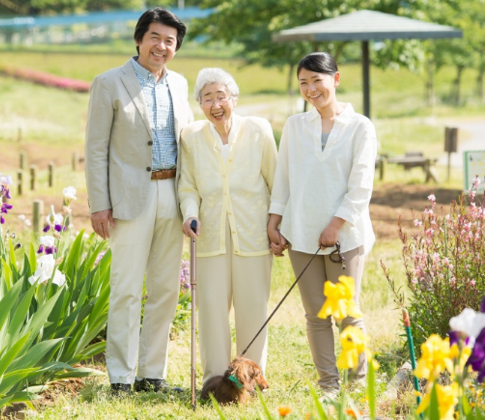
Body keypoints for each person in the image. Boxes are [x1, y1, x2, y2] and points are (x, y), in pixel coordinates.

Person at [84, 7, 193, 393]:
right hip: (129, 197)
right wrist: (99, 204)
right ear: (139, 39)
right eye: (155, 38)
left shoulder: (180, 85)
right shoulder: (109, 82)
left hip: (173, 195)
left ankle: (152, 374)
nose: (162, 46)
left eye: (170, 41)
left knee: (166, 289)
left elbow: (189, 144)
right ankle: (120, 376)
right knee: (127, 287)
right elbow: (95, 149)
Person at [267, 52, 377, 397]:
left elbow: (361, 185)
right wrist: (275, 222)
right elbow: (282, 179)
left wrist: (336, 223)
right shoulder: (296, 126)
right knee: (315, 315)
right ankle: (328, 385)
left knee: (346, 312)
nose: (311, 88)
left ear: (336, 79)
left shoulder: (360, 126)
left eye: (317, 80)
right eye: (303, 82)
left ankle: (357, 384)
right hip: (300, 235)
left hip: (345, 236)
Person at [178, 68, 277, 384]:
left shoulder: (259, 130)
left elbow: (276, 181)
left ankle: (248, 378)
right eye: (207, 98)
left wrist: (278, 225)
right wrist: (190, 213)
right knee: (211, 311)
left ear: (234, 98)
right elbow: (187, 186)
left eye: (221, 96)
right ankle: (216, 380)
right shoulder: (191, 137)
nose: (215, 104)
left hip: (253, 234)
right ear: (200, 104)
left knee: (253, 310)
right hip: (209, 237)